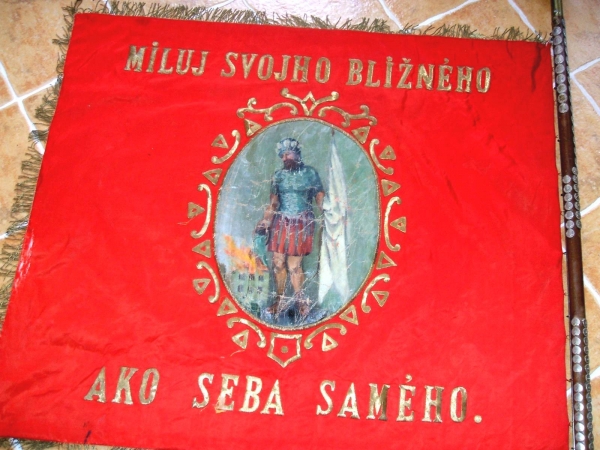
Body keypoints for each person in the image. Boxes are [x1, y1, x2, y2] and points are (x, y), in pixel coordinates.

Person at [255, 138, 324, 317]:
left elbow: (320, 198)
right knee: (278, 263)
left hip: (301, 222)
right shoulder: (278, 176)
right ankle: (279, 300)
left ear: (297, 154)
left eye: (288, 154)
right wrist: (265, 221)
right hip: (280, 221)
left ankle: (300, 300)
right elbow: (273, 203)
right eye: (282, 155)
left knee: (294, 265)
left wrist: (329, 213)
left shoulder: (310, 173)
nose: (285, 158)